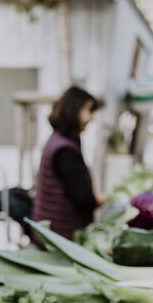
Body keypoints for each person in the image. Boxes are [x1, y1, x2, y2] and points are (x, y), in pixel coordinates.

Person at [33, 86, 104, 240]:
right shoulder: (65, 150)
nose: (91, 118)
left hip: (52, 231)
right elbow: (82, 198)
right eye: (89, 111)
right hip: (61, 235)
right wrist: (105, 199)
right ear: (74, 110)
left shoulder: (59, 139)